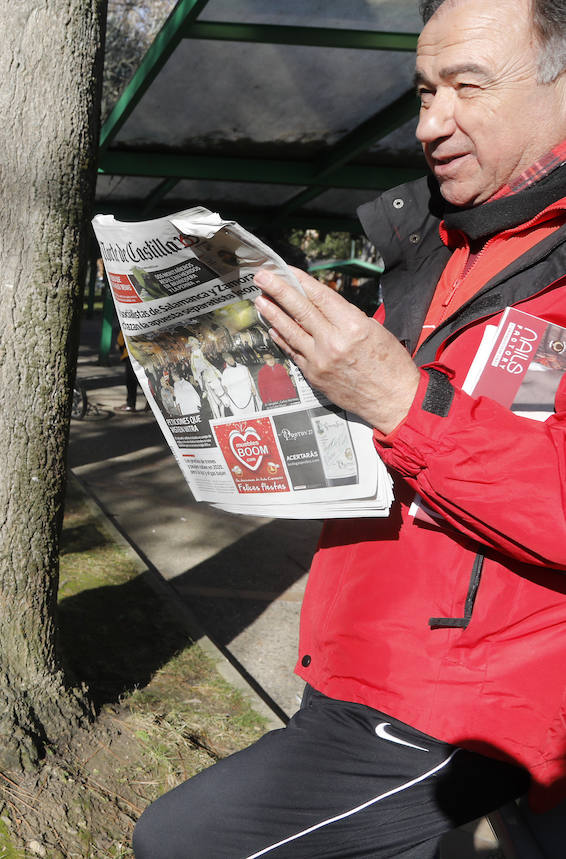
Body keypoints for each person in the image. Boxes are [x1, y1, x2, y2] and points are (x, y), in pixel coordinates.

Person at [133, 0, 566, 855]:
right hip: (350, 658)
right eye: (422, 91)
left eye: (466, 87)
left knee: (178, 841)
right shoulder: (443, 242)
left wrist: (403, 402)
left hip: (467, 706)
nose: (430, 124)